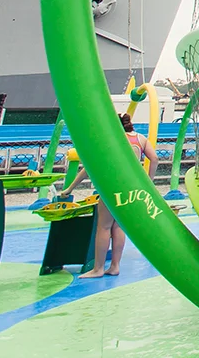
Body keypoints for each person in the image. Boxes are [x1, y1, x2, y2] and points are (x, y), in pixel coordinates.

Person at [77, 113, 158, 278]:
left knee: (104, 226)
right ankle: (115, 266)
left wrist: (71, 187)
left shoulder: (111, 140)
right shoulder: (140, 139)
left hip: (111, 185)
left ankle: (98, 268)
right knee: (119, 225)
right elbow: (154, 159)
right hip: (130, 187)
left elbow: (90, 166)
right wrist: (148, 182)